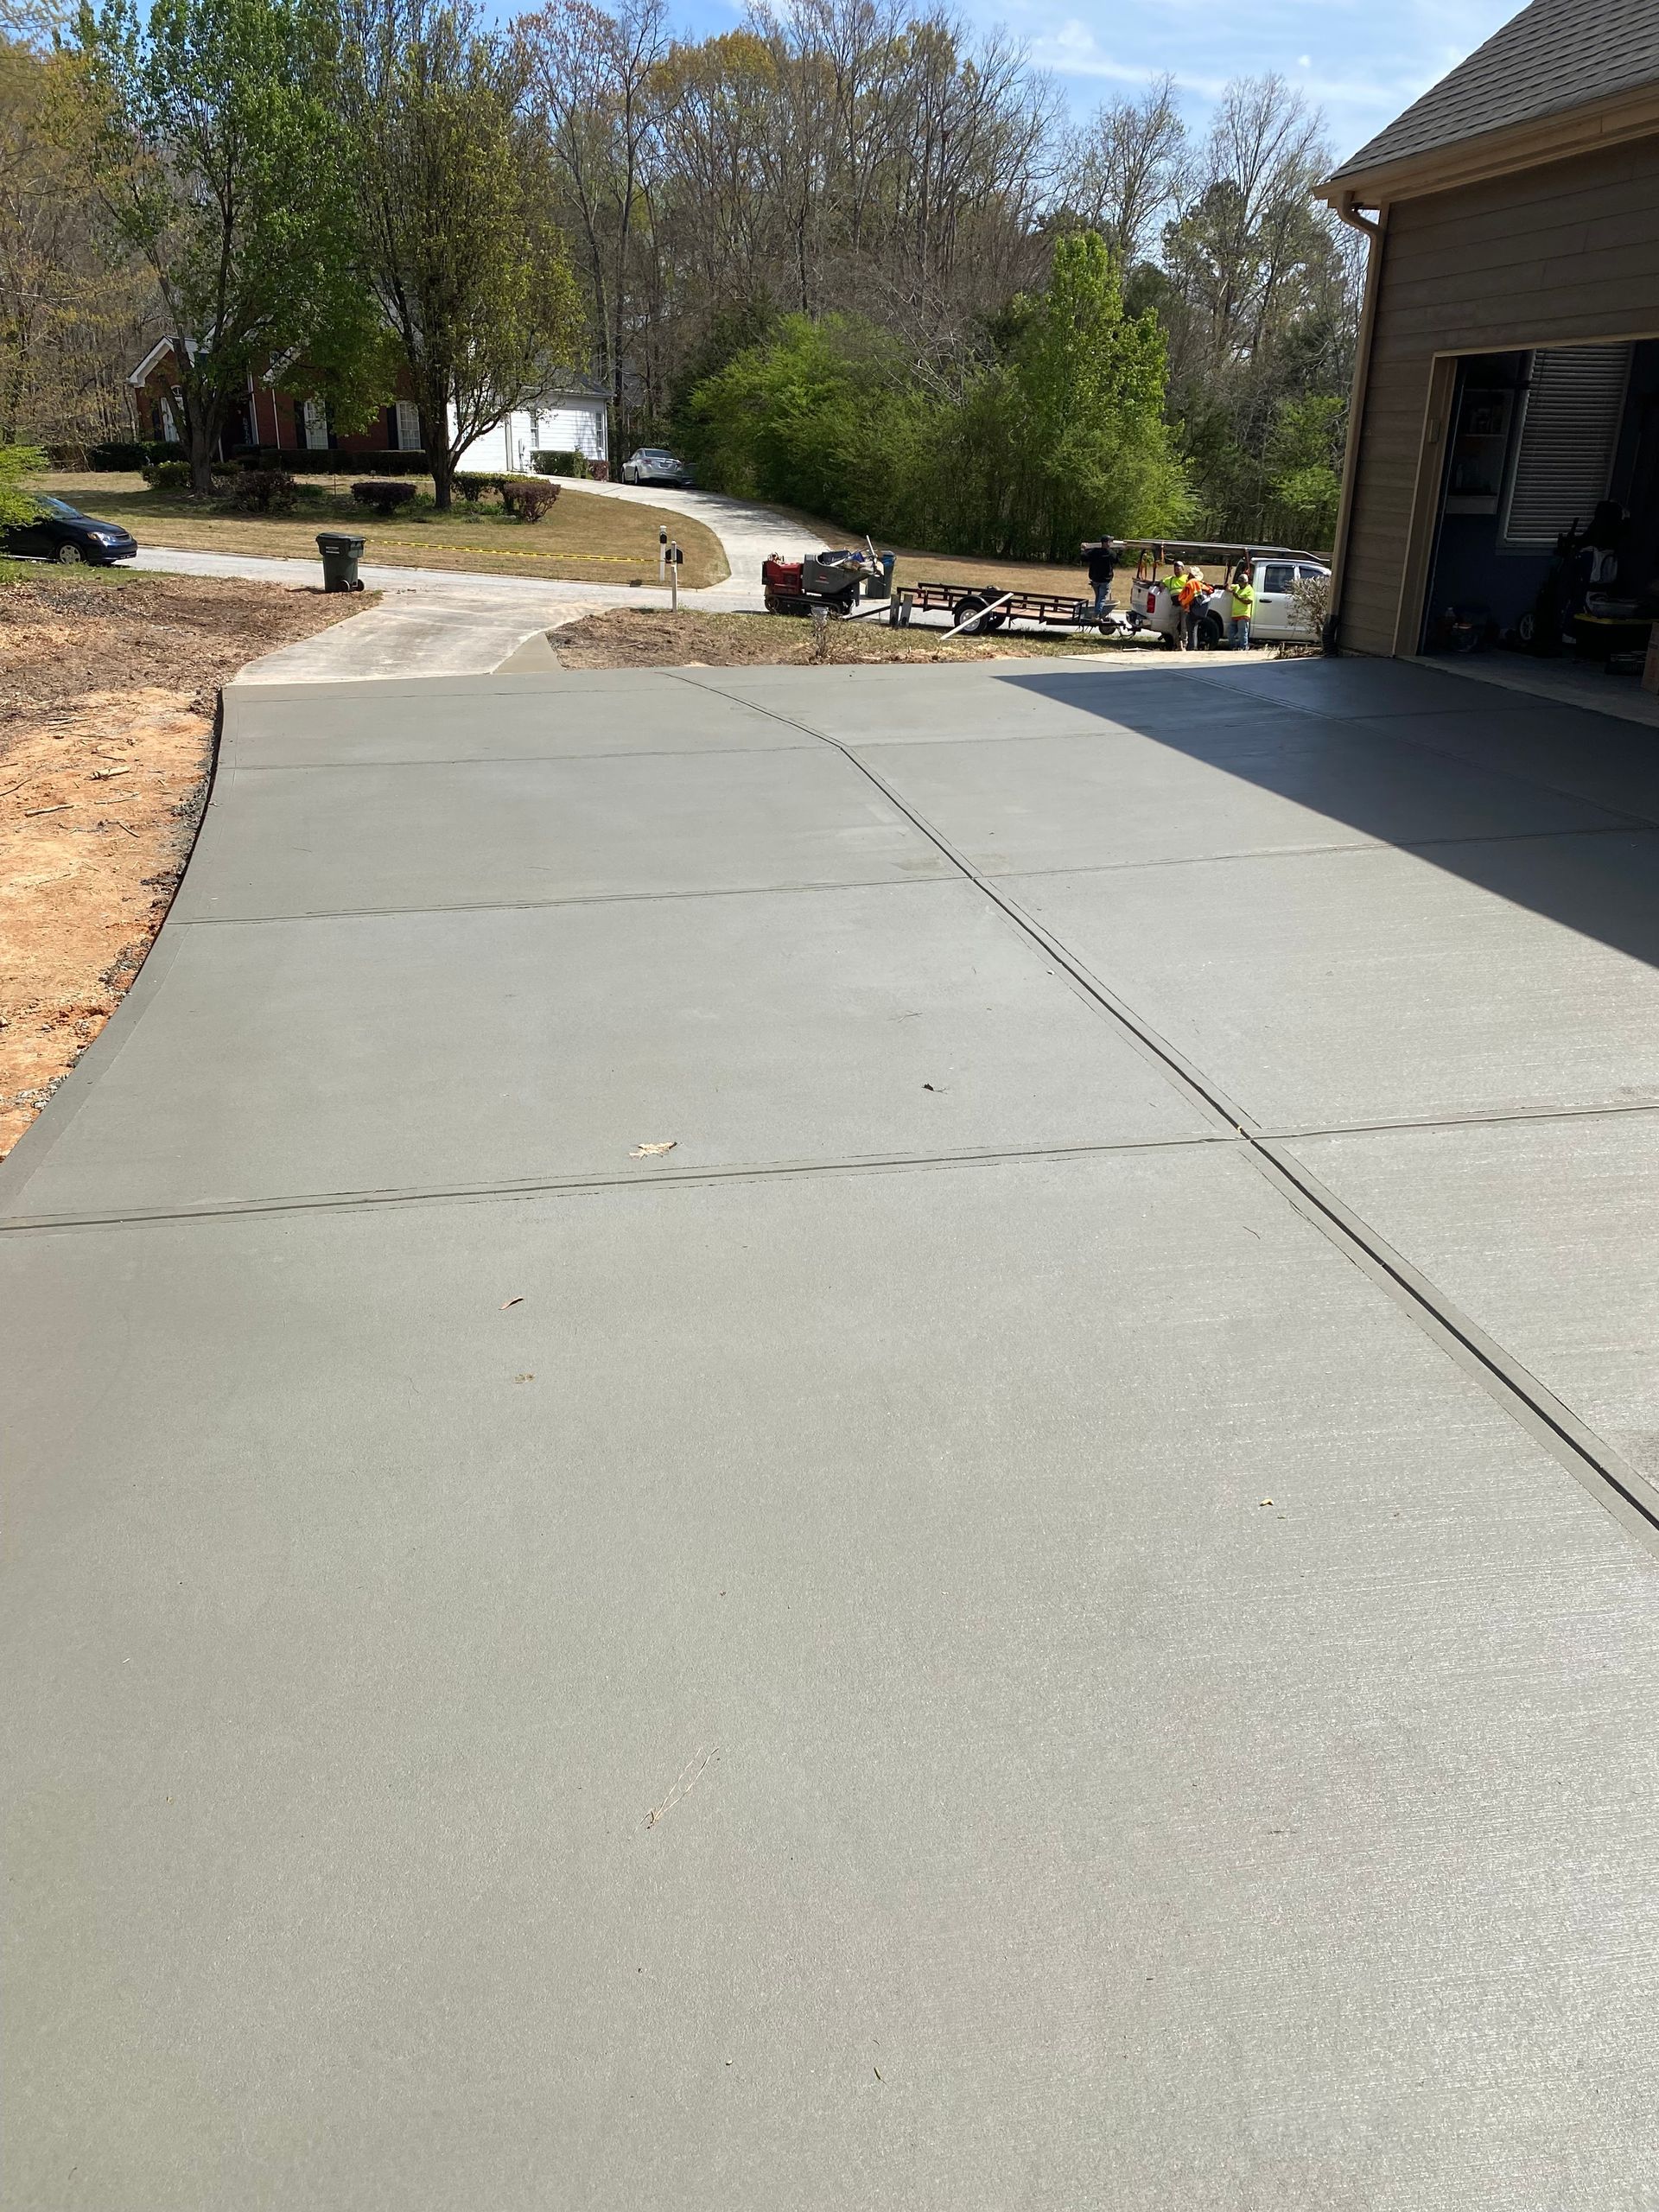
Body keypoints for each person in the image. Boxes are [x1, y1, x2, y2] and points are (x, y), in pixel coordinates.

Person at [1082, 538, 1118, 620]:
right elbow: (1116, 560)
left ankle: (1096, 613)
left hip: (1095, 579)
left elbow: (1084, 558)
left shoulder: (1094, 552)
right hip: (1105, 580)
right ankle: (1096, 616)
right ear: (1106, 543)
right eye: (1109, 542)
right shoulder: (1110, 553)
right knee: (1101, 599)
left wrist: (1083, 549)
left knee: (1098, 598)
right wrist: (1120, 552)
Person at [1228, 562, 1255, 651]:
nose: (1240, 584)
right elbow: (1229, 587)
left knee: (1242, 633)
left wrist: (1238, 597)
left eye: (1241, 582)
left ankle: (1243, 647)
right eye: (1239, 582)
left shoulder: (1249, 590)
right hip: (1235, 614)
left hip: (1243, 615)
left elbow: (1249, 601)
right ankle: (1233, 647)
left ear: (1246, 582)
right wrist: (1230, 589)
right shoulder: (1238, 587)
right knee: (1230, 633)